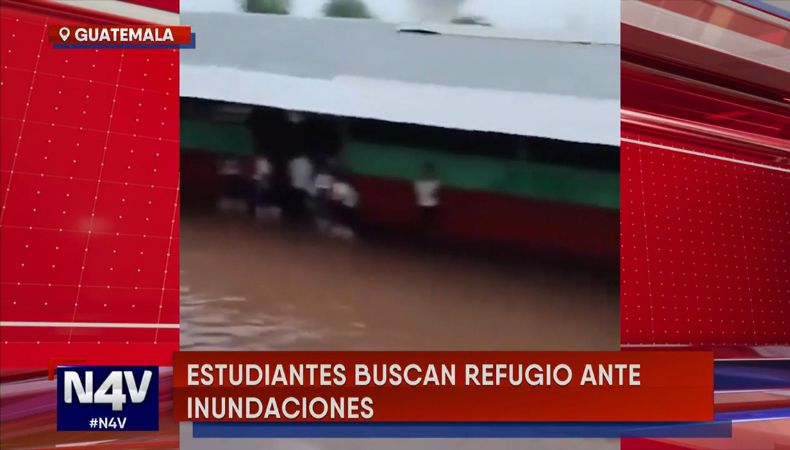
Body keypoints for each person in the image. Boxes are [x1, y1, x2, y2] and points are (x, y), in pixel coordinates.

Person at [414, 162, 440, 237]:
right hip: (429, 204)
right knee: (428, 224)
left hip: (425, 204)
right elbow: (435, 193)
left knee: (425, 223)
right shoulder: (434, 183)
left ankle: (424, 236)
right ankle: (426, 236)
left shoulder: (419, 182)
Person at [287, 153, 314, 223]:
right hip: (303, 187)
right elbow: (309, 176)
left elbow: (289, 173)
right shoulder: (309, 164)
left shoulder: (293, 162)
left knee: (294, 203)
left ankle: (293, 218)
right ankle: (300, 218)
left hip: (294, 186)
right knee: (300, 204)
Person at [330, 174, 359, 239]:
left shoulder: (343, 187)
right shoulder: (349, 187)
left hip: (347, 207)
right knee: (345, 221)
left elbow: (339, 198)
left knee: (342, 219)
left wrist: (333, 197)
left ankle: (341, 232)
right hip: (350, 207)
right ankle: (342, 232)